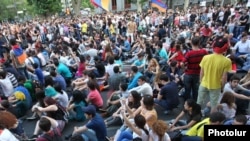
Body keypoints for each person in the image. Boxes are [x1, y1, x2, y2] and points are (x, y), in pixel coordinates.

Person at [197, 36, 232, 113]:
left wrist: (200, 81)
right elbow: (224, 77)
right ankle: (211, 121)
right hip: (216, 86)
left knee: (199, 102)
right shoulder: (227, 61)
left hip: (204, 83)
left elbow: (201, 72)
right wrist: (222, 87)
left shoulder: (206, 57)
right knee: (214, 105)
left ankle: (195, 119)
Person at [182, 36, 208, 101]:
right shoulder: (204, 52)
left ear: (191, 43)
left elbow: (182, 63)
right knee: (195, 90)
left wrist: (184, 69)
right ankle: (194, 104)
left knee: (187, 90)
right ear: (199, 42)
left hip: (188, 73)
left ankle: (186, 104)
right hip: (198, 74)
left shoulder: (189, 53)